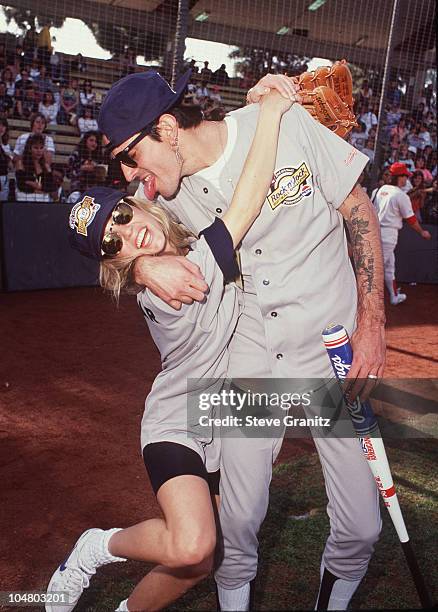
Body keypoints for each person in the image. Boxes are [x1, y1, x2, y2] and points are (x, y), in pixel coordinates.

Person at [96, 69, 386, 611]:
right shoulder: (162, 193)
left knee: (363, 526)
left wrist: (372, 324)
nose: (133, 175)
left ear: (167, 126)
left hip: (332, 352)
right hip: (248, 360)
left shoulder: (282, 124)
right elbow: (100, 233)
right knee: (237, 518)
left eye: (130, 156)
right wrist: (140, 272)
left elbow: (358, 212)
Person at [46, 89, 291, 612]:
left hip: (228, 414)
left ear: (141, 202)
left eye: (122, 218)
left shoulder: (164, 238)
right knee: (192, 544)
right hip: (180, 418)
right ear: (111, 264)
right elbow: (247, 199)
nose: (129, 237)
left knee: (201, 560)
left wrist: (139, 255)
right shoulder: (181, 274)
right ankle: (98, 546)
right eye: (113, 245)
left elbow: (158, 177)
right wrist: (269, 114)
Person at [373, 162, 431, 305]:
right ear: (400, 177)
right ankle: (362, 301)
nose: (407, 180)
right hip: (388, 234)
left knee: (389, 266)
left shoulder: (381, 189)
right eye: (405, 176)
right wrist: (422, 232)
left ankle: (393, 296)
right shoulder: (400, 195)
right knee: (376, 269)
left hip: (375, 230)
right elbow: (411, 219)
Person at [15, 133, 55, 202]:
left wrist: (35, 185)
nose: (39, 151)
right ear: (30, 148)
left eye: (41, 148)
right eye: (36, 148)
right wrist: (37, 189)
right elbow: (21, 185)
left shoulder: (46, 165)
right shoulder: (21, 163)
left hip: (42, 200)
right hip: (24, 199)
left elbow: (50, 187)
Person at [0, 117, 13, 201]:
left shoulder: (6, 145)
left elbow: (10, 165)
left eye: (3, 125)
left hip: (5, 180)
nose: (1, 128)